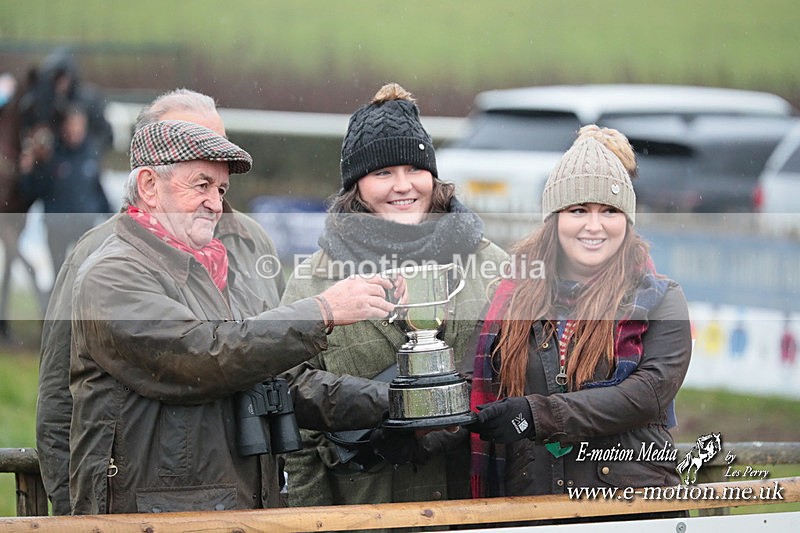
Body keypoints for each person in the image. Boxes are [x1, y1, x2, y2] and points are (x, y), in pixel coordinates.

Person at [67, 119, 395, 515]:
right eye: (201, 185)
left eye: (220, 190)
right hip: (154, 519)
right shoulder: (113, 274)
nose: (216, 203)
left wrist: (402, 401)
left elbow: (278, 382)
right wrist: (322, 311)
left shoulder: (216, 273)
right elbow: (201, 356)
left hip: (226, 513)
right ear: (149, 186)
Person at [280, 82, 508, 509]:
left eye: (414, 169)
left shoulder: (492, 267)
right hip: (366, 508)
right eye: (383, 173)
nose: (403, 186)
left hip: (473, 505)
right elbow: (297, 424)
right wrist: (312, 518)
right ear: (356, 187)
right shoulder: (313, 282)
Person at [36, 88, 238, 515]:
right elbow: (58, 402)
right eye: (193, 145)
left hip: (235, 501)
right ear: (150, 177)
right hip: (141, 506)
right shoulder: (98, 253)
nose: (211, 153)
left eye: (217, 146)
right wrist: (77, 513)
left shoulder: (251, 241)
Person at [467, 127, 692, 508]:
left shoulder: (661, 299)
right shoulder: (509, 297)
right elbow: (474, 393)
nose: (594, 225)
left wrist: (536, 415)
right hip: (533, 505)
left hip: (630, 508)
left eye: (609, 210)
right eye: (578, 210)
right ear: (554, 219)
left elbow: (646, 396)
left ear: (628, 219)